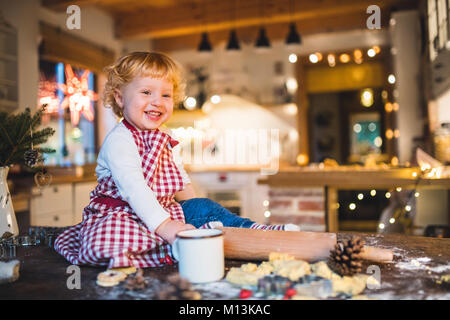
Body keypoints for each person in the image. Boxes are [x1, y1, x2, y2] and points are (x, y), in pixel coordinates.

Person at [54, 52, 299, 269]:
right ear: (119, 98)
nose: (157, 101)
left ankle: (261, 233)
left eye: (165, 94)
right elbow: (134, 190)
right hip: (122, 214)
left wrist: (197, 211)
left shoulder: (167, 137)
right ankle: (162, 247)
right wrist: (168, 227)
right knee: (106, 243)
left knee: (205, 210)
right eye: (146, 92)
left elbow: (180, 180)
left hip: (164, 212)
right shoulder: (120, 140)